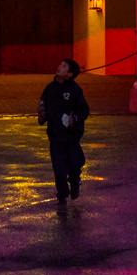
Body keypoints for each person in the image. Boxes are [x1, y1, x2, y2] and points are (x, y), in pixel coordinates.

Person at [38, 58, 90, 203]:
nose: (59, 67)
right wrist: (42, 115)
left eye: (64, 66)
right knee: (58, 167)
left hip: (71, 136)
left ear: (70, 74)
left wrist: (76, 119)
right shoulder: (50, 88)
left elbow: (84, 110)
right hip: (55, 136)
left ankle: (74, 182)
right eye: (60, 64)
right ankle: (62, 193)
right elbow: (44, 105)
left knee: (74, 164)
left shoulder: (75, 90)